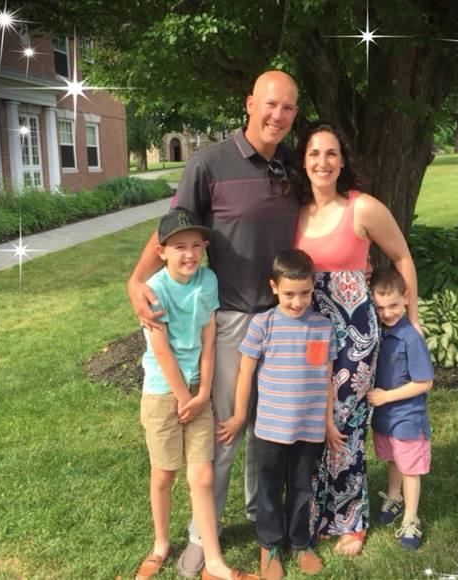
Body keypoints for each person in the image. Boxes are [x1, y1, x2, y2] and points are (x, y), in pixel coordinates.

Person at [127, 70, 299, 576]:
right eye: (270, 104)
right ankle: (204, 533)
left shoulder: (294, 164)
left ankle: (262, 520)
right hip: (231, 319)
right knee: (226, 430)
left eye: (288, 107)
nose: (278, 115)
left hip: (284, 319)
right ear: (250, 103)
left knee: (269, 429)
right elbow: (173, 227)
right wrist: (136, 280)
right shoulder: (209, 164)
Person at [292, 122, 422, 556]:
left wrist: (412, 320)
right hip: (310, 333)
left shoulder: (361, 207)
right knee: (314, 420)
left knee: (346, 423)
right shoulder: (295, 211)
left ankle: (350, 518)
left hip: (356, 337)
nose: (323, 162)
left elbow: (402, 256)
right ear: (303, 161)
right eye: (314, 154)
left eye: (331, 153)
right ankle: (314, 514)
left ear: (343, 159)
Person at [136, 207, 255, 580]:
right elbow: (161, 351)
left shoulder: (208, 281)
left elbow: (208, 337)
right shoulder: (154, 290)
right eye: (179, 247)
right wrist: (183, 397)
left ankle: (214, 561)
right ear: (162, 252)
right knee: (164, 474)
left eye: (195, 246)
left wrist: (203, 392)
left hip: (197, 394)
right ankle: (160, 544)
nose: (189, 254)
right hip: (163, 393)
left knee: (202, 477)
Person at [217, 249, 340, 580]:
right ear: (274, 287)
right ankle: (269, 545)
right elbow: (245, 373)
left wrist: (328, 423)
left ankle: (299, 543)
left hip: (309, 429)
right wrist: (239, 416)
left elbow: (326, 379)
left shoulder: (323, 328)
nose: (297, 302)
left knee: (301, 488)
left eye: (304, 293)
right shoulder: (263, 324)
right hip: (270, 428)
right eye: (289, 294)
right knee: (269, 489)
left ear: (314, 286)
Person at [366, 267, 434, 551]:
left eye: (393, 305)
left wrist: (386, 397)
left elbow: (424, 383)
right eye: (380, 307)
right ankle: (394, 498)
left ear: (406, 298)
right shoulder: (381, 332)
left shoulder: (410, 337)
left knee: (409, 468)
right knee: (392, 459)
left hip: (406, 418)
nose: (387, 313)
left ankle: (410, 519)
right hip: (385, 418)